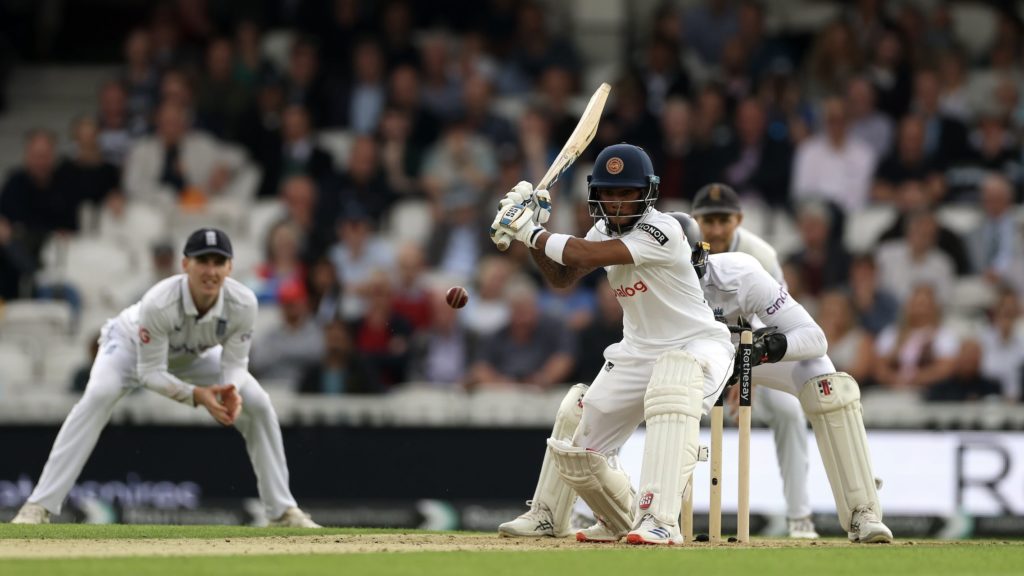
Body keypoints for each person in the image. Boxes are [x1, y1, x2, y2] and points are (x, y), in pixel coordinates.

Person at [493, 144, 735, 545]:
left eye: (627, 193)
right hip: (637, 353)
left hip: (697, 346)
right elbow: (562, 277)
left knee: (672, 388)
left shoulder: (664, 230)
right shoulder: (601, 229)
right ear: (596, 194)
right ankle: (564, 516)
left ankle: (660, 521)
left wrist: (531, 230)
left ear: (647, 193)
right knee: (581, 453)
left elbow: (586, 252)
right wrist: (532, 235)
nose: (618, 202)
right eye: (609, 192)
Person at [10, 228, 319, 527]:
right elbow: (150, 373)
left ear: (230, 267)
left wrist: (232, 389)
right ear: (185, 265)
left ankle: (282, 512)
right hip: (130, 350)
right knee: (98, 397)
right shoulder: (160, 301)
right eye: (202, 261)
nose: (210, 271)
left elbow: (235, 363)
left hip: (192, 355)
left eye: (218, 262)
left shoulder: (243, 303)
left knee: (260, 404)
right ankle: (39, 505)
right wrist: (198, 396)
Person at [676, 213, 893, 543]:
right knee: (645, 389)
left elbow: (814, 338)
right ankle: (638, 514)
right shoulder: (644, 281)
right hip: (684, 359)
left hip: (742, 352)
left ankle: (862, 510)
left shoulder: (741, 269)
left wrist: (765, 350)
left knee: (822, 376)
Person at [690, 182, 818, 538]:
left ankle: (799, 517)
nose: (715, 229)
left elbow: (775, 323)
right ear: (695, 219)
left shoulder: (759, 254)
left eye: (723, 220)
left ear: (739, 220)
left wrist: (743, 371)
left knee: (789, 412)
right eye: (707, 220)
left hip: (754, 351)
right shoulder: (683, 248)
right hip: (700, 351)